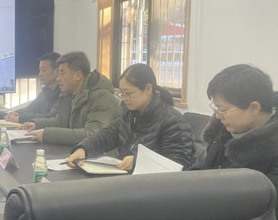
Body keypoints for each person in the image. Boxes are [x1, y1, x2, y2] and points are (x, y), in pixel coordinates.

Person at [67, 63, 195, 171]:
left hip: (157, 188)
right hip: (130, 181)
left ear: (148, 89)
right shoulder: (130, 114)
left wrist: (138, 161)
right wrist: (83, 149)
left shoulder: (173, 122)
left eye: (128, 93)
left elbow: (176, 165)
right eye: (121, 94)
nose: (124, 99)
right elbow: (107, 135)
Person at [193, 64, 278, 192]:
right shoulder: (222, 131)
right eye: (216, 108)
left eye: (223, 109)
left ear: (254, 108)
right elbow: (200, 168)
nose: (218, 116)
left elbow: (266, 200)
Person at [20, 51, 121, 145]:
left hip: (102, 155)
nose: (58, 79)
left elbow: (92, 135)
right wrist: (35, 123)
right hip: (78, 150)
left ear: (78, 76)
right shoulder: (69, 94)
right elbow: (61, 121)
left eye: (62, 74)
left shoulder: (102, 98)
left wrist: (46, 134)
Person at [5, 52, 61, 123]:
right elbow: (31, 108)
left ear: (57, 72)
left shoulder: (64, 93)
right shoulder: (46, 91)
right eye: (40, 70)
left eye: (44, 70)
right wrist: (16, 113)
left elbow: (50, 116)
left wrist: (20, 118)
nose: (40, 74)